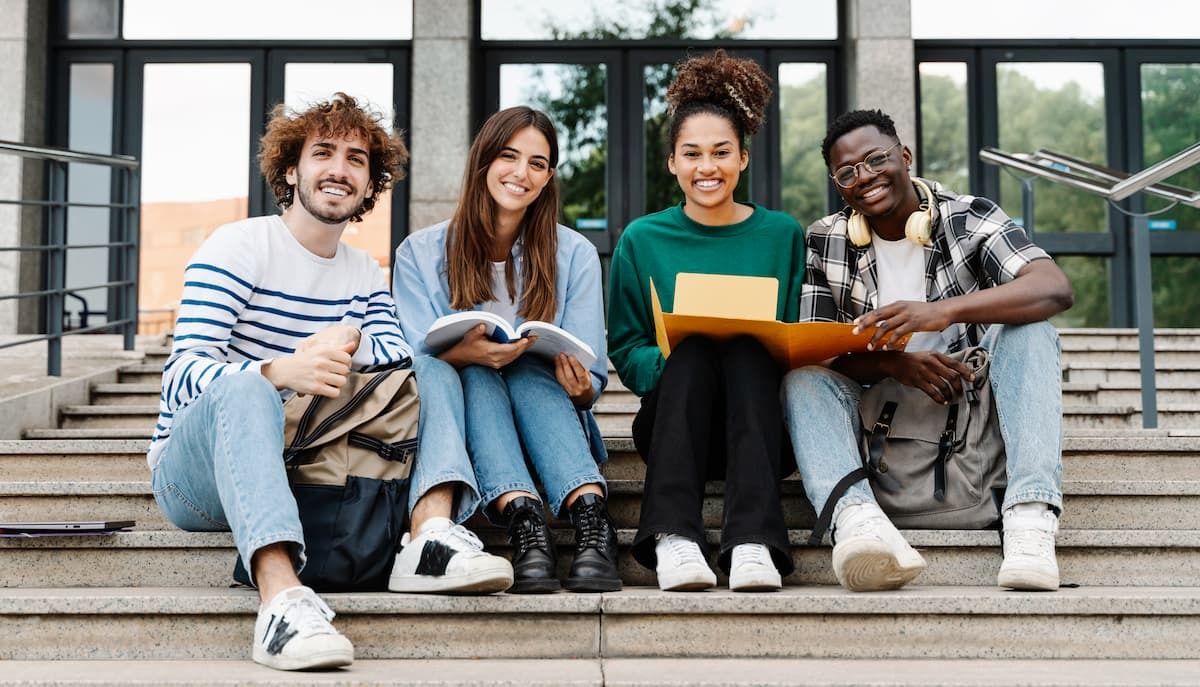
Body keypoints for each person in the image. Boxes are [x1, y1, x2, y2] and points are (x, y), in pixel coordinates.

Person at [147, 93, 511, 673]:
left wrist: (343, 351)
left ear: (370, 186)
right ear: (291, 169)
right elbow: (182, 377)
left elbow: (396, 362)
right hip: (198, 474)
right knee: (246, 390)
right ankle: (282, 605)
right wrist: (280, 371)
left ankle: (430, 534)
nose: (339, 169)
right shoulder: (240, 246)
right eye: (324, 153)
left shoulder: (363, 273)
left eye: (357, 160)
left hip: (303, 458)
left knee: (435, 365)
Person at [783, 108, 1074, 593]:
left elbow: (1054, 287)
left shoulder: (969, 216)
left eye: (876, 160)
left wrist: (942, 312)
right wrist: (895, 362)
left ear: (905, 156)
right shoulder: (824, 239)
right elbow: (814, 345)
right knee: (801, 379)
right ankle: (858, 524)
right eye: (848, 172)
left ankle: (1029, 517)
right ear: (839, 185)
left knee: (1031, 330)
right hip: (879, 407)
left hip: (965, 404)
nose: (866, 177)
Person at [392, 106, 618, 594]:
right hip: (473, 418)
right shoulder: (420, 252)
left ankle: (592, 522)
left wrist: (581, 387)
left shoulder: (573, 252)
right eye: (509, 156)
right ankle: (526, 526)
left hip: (552, 419)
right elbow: (413, 362)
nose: (522, 173)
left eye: (538, 163)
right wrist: (467, 355)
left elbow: (590, 378)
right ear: (483, 161)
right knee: (475, 373)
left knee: (529, 368)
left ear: (549, 176)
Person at [606, 50, 805, 592]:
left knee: (746, 347)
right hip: (673, 423)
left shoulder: (783, 235)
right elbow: (626, 346)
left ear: (743, 158)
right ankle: (674, 537)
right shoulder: (642, 240)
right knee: (693, 350)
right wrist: (673, 353)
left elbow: (793, 336)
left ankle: (753, 542)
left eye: (721, 152)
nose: (706, 167)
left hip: (762, 426)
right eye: (692, 153)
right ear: (672, 161)